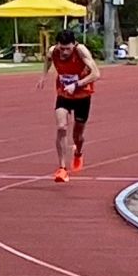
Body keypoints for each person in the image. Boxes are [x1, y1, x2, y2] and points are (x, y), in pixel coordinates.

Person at [37, 28, 99, 181]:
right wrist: (43, 76)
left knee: (77, 136)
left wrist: (77, 84)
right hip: (64, 94)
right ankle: (62, 168)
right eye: (62, 48)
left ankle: (78, 152)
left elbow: (96, 74)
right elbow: (48, 60)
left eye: (68, 49)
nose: (64, 52)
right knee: (61, 127)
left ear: (74, 44)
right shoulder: (53, 51)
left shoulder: (81, 51)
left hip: (82, 95)